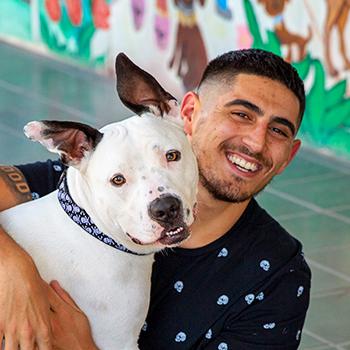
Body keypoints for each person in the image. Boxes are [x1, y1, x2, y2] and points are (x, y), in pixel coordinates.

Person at [0, 48, 311, 349]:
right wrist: (13, 269)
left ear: (289, 156)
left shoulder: (276, 276)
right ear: (188, 113)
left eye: (278, 131)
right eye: (241, 114)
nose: (256, 143)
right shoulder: (83, 182)